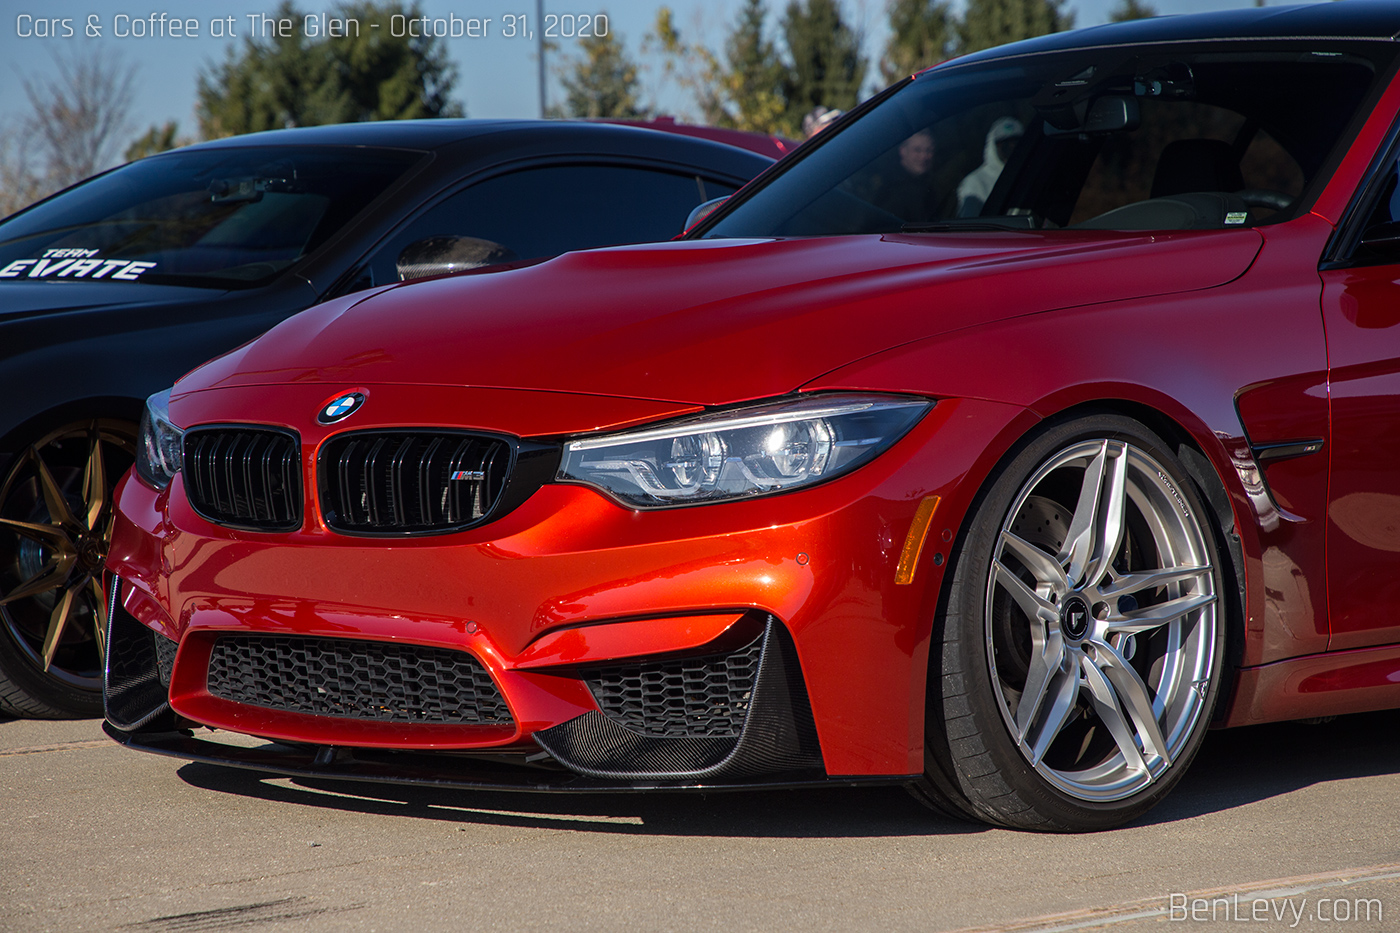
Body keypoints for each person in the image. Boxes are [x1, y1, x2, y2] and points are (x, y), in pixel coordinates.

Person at [957, 117, 1025, 217]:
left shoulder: (1029, 175)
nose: (1011, 147)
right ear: (993, 146)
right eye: (1004, 143)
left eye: (1016, 142)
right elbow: (969, 226)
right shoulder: (975, 182)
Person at [871, 129, 941, 222]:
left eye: (929, 150)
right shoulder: (891, 189)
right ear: (903, 151)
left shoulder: (928, 185)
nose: (924, 156)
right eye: (917, 150)